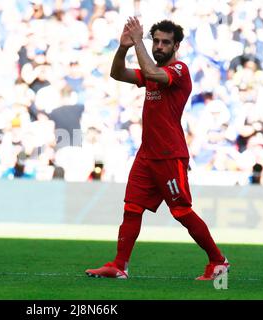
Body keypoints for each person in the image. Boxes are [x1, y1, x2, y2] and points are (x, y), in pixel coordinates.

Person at [85, 17, 229, 281]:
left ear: (176, 46)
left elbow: (152, 73)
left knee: (181, 211)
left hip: (169, 155)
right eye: (156, 41)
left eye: (165, 42)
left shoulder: (179, 70)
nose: (159, 46)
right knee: (132, 207)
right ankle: (119, 265)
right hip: (146, 154)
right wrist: (123, 47)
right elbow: (117, 73)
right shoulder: (151, 70)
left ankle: (218, 261)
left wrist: (138, 40)